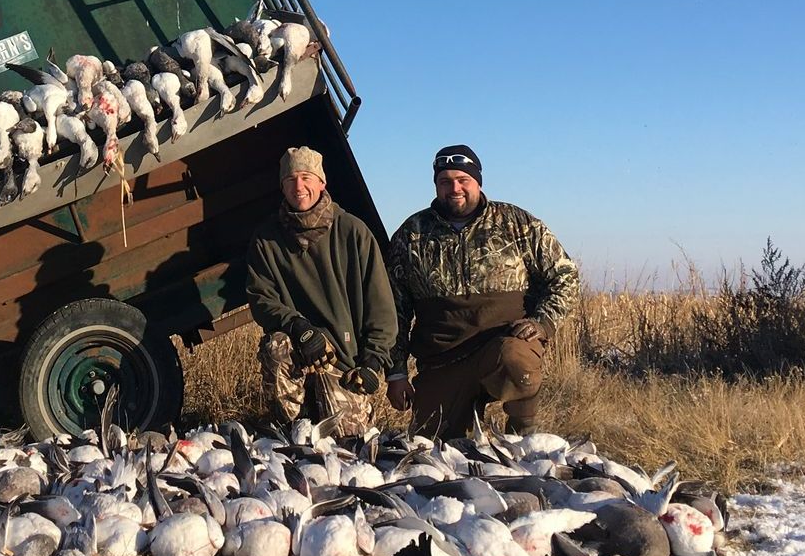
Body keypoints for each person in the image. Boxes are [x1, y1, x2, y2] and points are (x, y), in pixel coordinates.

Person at [386, 144, 579, 437]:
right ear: (436, 185)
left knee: (516, 359)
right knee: (430, 445)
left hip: (502, 345)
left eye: (463, 179)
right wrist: (397, 372)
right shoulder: (411, 234)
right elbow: (393, 308)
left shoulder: (516, 223)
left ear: (478, 181)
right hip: (442, 358)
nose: (455, 188)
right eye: (445, 181)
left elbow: (564, 275)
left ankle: (523, 438)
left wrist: (543, 323)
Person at [243, 146, 398, 436]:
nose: (298, 186)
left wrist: (372, 362)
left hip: (343, 362)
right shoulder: (266, 238)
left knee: (347, 443)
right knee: (276, 346)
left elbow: (381, 308)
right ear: (282, 187)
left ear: (322, 182)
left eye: (306, 177)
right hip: (298, 352)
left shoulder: (353, 231)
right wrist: (299, 327)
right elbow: (261, 298)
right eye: (290, 180)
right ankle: (289, 430)